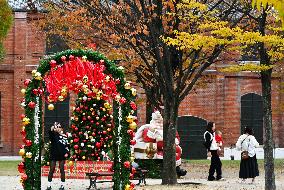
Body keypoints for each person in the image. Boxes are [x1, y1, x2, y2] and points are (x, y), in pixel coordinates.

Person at [47, 122, 69, 190]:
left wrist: (67, 153)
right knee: (52, 169)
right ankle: (49, 185)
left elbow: (67, 146)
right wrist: (52, 129)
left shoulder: (65, 136)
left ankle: (62, 185)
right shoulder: (54, 135)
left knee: (62, 169)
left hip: (62, 155)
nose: (58, 128)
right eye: (57, 127)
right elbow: (50, 134)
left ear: (61, 128)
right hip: (54, 154)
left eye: (59, 127)